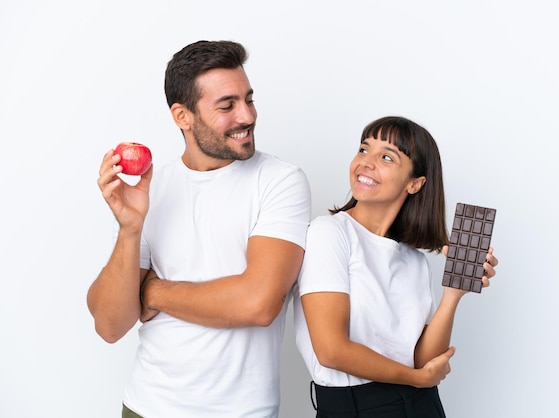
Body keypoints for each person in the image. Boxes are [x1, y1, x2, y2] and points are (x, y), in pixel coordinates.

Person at [87, 40, 311, 418]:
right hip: (145, 406)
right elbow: (110, 324)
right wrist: (130, 228)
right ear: (182, 116)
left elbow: (257, 304)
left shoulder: (280, 181)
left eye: (249, 99)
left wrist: (153, 291)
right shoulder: (151, 188)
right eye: (227, 105)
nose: (247, 115)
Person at [293, 116, 499, 417]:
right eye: (364, 149)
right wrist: (419, 380)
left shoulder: (414, 260)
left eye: (387, 156)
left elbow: (422, 360)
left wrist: (453, 295)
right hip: (358, 407)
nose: (367, 162)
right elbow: (331, 351)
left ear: (415, 183)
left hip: (423, 406)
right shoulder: (330, 233)